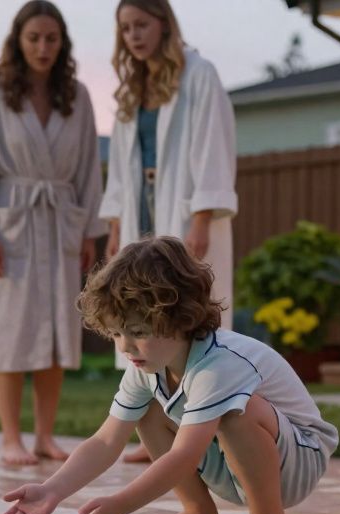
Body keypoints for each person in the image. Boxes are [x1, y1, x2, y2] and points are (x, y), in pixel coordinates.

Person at [0, 237, 338, 514]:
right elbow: (105, 441)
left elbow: (185, 456)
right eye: (116, 333)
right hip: (239, 463)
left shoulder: (221, 363)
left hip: (297, 463)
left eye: (138, 332)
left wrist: (120, 506)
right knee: (147, 410)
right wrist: (52, 490)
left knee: (240, 410)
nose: (125, 346)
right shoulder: (148, 367)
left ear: (181, 319)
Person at [0, 1, 107, 466]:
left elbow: (88, 167)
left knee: (57, 331)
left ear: (63, 44)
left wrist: (88, 231)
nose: (43, 47)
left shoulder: (76, 96)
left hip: (60, 222)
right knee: (9, 332)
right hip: (10, 223)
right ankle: (10, 438)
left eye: (51, 39)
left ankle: (43, 436)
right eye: (34, 38)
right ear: (18, 42)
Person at [100, 0, 238, 463]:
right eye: (126, 29)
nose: (134, 36)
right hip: (140, 208)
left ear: (163, 24)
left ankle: (201, 430)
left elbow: (214, 146)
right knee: (140, 312)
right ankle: (156, 433)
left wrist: (202, 216)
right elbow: (119, 165)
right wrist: (116, 225)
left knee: (185, 312)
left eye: (141, 25)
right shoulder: (132, 89)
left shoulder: (199, 75)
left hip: (183, 205)